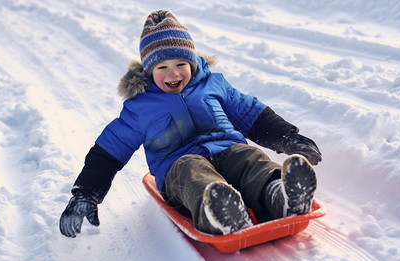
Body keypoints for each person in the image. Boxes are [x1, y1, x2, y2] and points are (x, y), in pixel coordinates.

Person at [59, 10, 322, 237]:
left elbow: (251, 113)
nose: (173, 73)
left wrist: (287, 137)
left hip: (226, 151)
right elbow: (109, 150)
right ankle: (218, 211)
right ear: (149, 70)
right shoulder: (140, 106)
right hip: (177, 169)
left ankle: (280, 195)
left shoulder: (213, 85)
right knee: (191, 169)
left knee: (249, 157)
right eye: (162, 67)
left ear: (193, 62)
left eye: (181, 63)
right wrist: (86, 193)